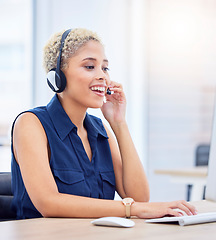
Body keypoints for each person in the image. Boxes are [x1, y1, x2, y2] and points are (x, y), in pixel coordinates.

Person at [11, 28, 197, 219]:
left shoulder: (100, 130)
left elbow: (139, 197)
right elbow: (49, 203)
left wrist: (119, 123)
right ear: (58, 76)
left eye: (105, 68)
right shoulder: (31, 124)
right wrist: (129, 209)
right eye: (90, 67)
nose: (103, 76)